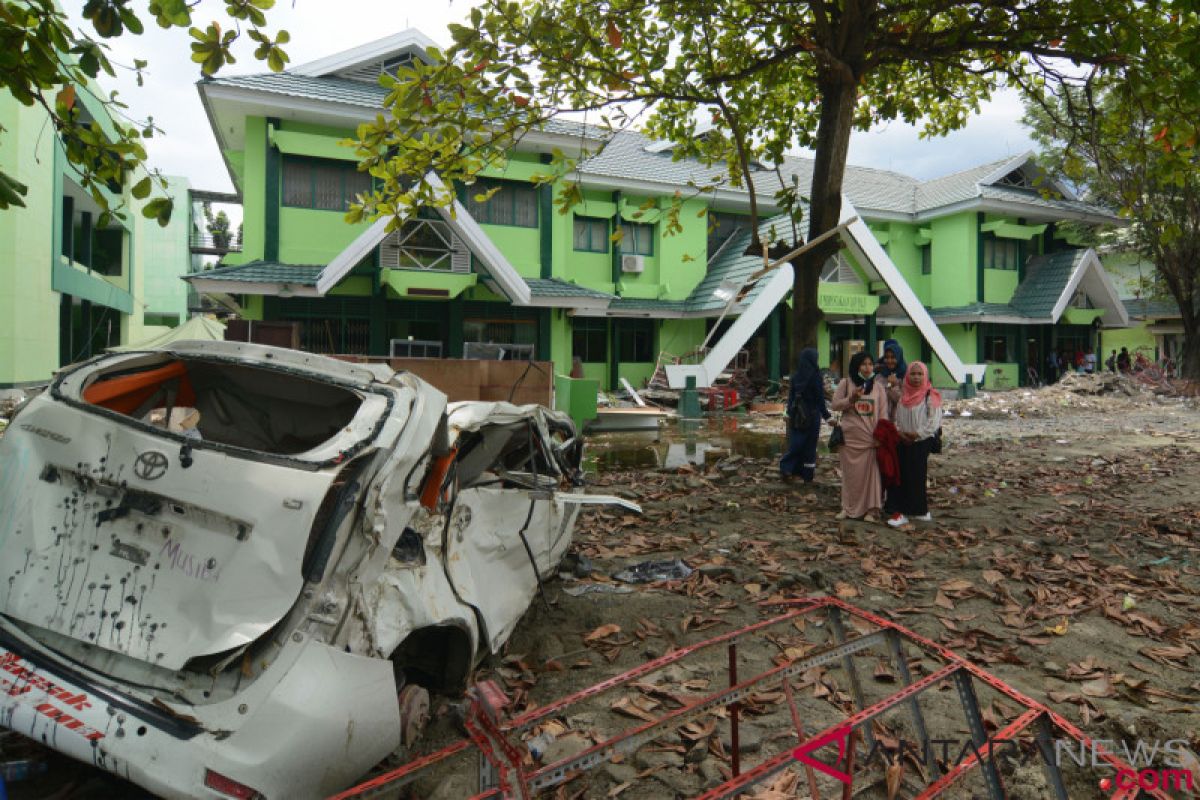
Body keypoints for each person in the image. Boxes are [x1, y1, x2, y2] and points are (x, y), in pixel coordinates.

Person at [830, 352, 887, 522]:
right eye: (863, 364)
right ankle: (848, 508)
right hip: (849, 439)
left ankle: (871, 510)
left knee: (871, 476)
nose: (867, 368)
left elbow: (883, 415)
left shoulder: (878, 388)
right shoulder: (845, 383)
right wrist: (851, 398)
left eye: (870, 364)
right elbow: (835, 405)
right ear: (856, 366)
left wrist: (880, 436)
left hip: (870, 439)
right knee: (850, 476)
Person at [886, 362, 943, 527]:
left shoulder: (930, 396)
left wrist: (917, 434)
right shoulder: (904, 395)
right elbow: (897, 418)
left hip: (921, 442)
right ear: (907, 376)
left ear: (925, 376)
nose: (916, 378)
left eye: (920, 374)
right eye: (913, 374)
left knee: (916, 477)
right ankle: (911, 511)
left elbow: (934, 422)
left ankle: (915, 511)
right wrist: (900, 433)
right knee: (903, 476)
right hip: (904, 441)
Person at [779, 349, 830, 483]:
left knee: (796, 443)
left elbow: (791, 397)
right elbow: (820, 399)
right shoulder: (816, 376)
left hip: (797, 415)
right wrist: (827, 416)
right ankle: (806, 475)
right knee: (809, 446)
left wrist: (788, 413)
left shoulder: (796, 376)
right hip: (812, 416)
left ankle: (787, 468)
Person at [877, 339, 907, 414]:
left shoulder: (906, 376)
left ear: (899, 357)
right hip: (881, 419)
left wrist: (894, 386)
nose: (889, 360)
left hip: (898, 421)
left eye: (893, 357)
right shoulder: (879, 376)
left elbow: (904, 402)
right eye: (886, 357)